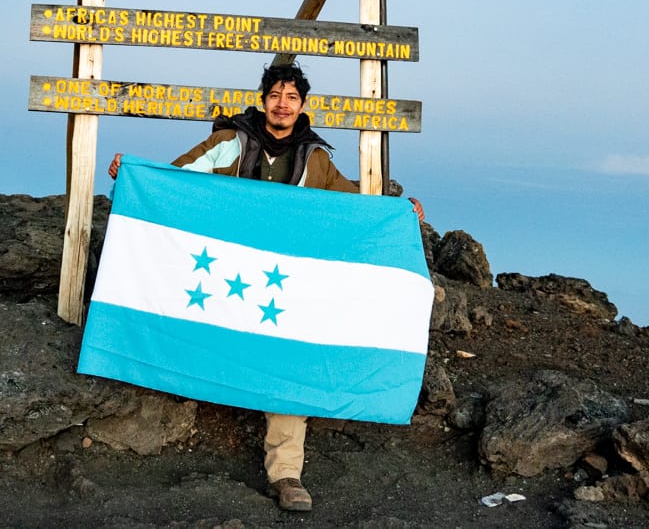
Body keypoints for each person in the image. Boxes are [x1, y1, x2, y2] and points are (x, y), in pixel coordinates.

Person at [108, 63, 422, 512]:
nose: (282, 103)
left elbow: (351, 203)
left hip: (279, 286)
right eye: (275, 94)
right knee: (191, 340)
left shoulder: (315, 159)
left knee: (289, 363)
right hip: (221, 277)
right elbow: (177, 178)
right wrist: (134, 174)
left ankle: (287, 474)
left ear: (302, 105)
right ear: (263, 99)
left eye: (291, 97)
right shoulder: (227, 143)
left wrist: (398, 212)